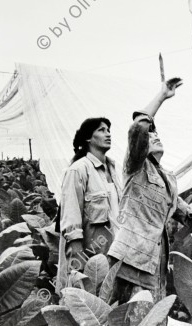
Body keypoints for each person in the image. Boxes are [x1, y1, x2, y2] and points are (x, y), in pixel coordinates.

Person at [108, 78, 192, 303]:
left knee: (151, 313)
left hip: (155, 261)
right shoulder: (136, 167)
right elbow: (138, 127)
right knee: (130, 312)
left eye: (157, 133)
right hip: (131, 259)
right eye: (150, 135)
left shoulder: (168, 179)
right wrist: (162, 96)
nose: (155, 135)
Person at [56, 117, 122, 294]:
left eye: (108, 130)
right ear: (88, 138)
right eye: (101, 130)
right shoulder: (78, 170)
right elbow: (71, 217)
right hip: (89, 254)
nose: (108, 133)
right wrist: (77, 261)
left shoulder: (113, 170)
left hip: (113, 252)